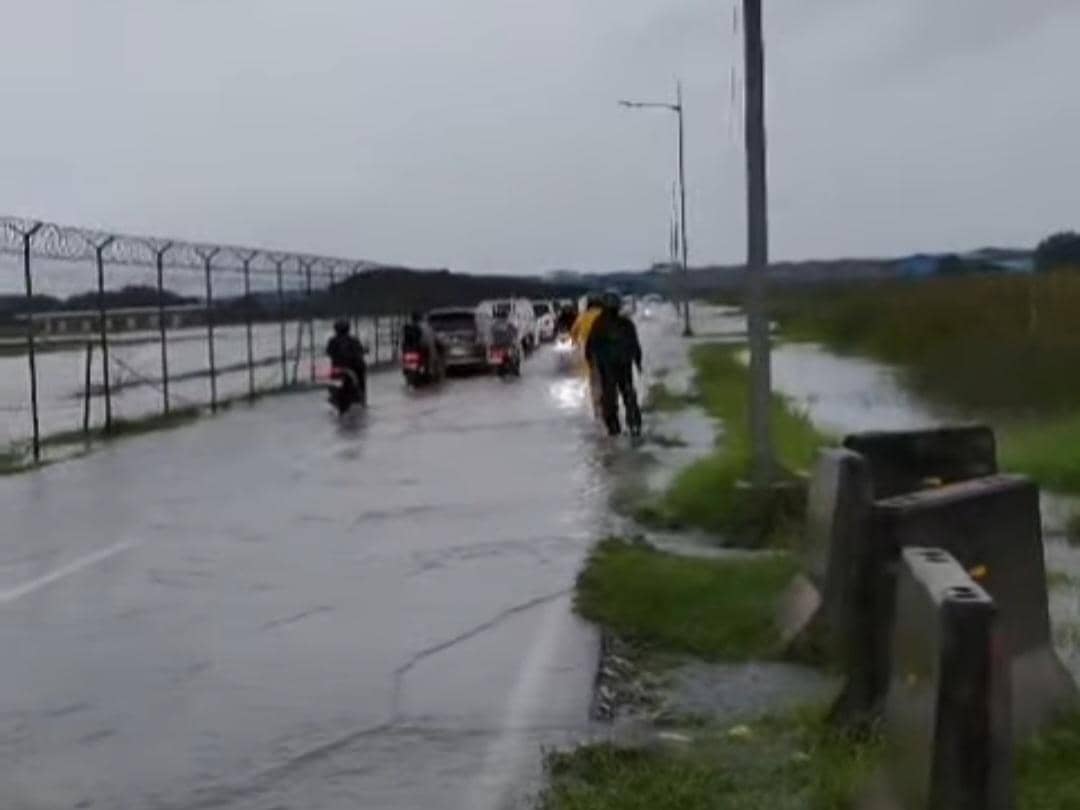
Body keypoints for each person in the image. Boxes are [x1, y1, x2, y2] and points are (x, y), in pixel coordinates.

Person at [585, 290, 643, 437]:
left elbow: (590, 345)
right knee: (628, 394)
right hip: (622, 365)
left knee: (610, 397)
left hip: (608, 366)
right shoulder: (626, 323)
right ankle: (633, 424)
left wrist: (591, 362)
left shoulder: (599, 324)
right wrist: (637, 361)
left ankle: (614, 427)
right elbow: (635, 345)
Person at [570, 295, 605, 419]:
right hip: (607, 351)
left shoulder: (583, 317)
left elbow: (574, 331)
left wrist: (574, 341)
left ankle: (597, 409)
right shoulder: (605, 315)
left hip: (589, 351)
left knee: (594, 380)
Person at [326, 319, 367, 406]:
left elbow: (328, 352)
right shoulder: (353, 340)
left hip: (345, 368)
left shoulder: (333, 341)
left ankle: (335, 396)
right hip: (354, 367)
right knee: (361, 381)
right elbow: (360, 351)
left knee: (334, 379)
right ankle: (362, 399)